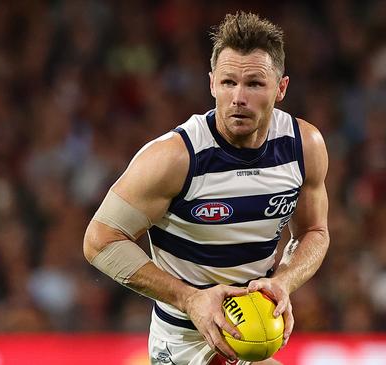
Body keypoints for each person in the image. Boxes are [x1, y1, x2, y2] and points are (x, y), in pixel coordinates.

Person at [83, 11, 329, 365]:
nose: (238, 97)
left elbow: (314, 232)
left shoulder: (304, 146)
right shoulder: (175, 158)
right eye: (229, 82)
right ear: (212, 83)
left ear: (281, 88)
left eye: (255, 84)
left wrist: (285, 282)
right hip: (184, 342)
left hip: (254, 336)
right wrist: (189, 298)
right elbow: (99, 240)